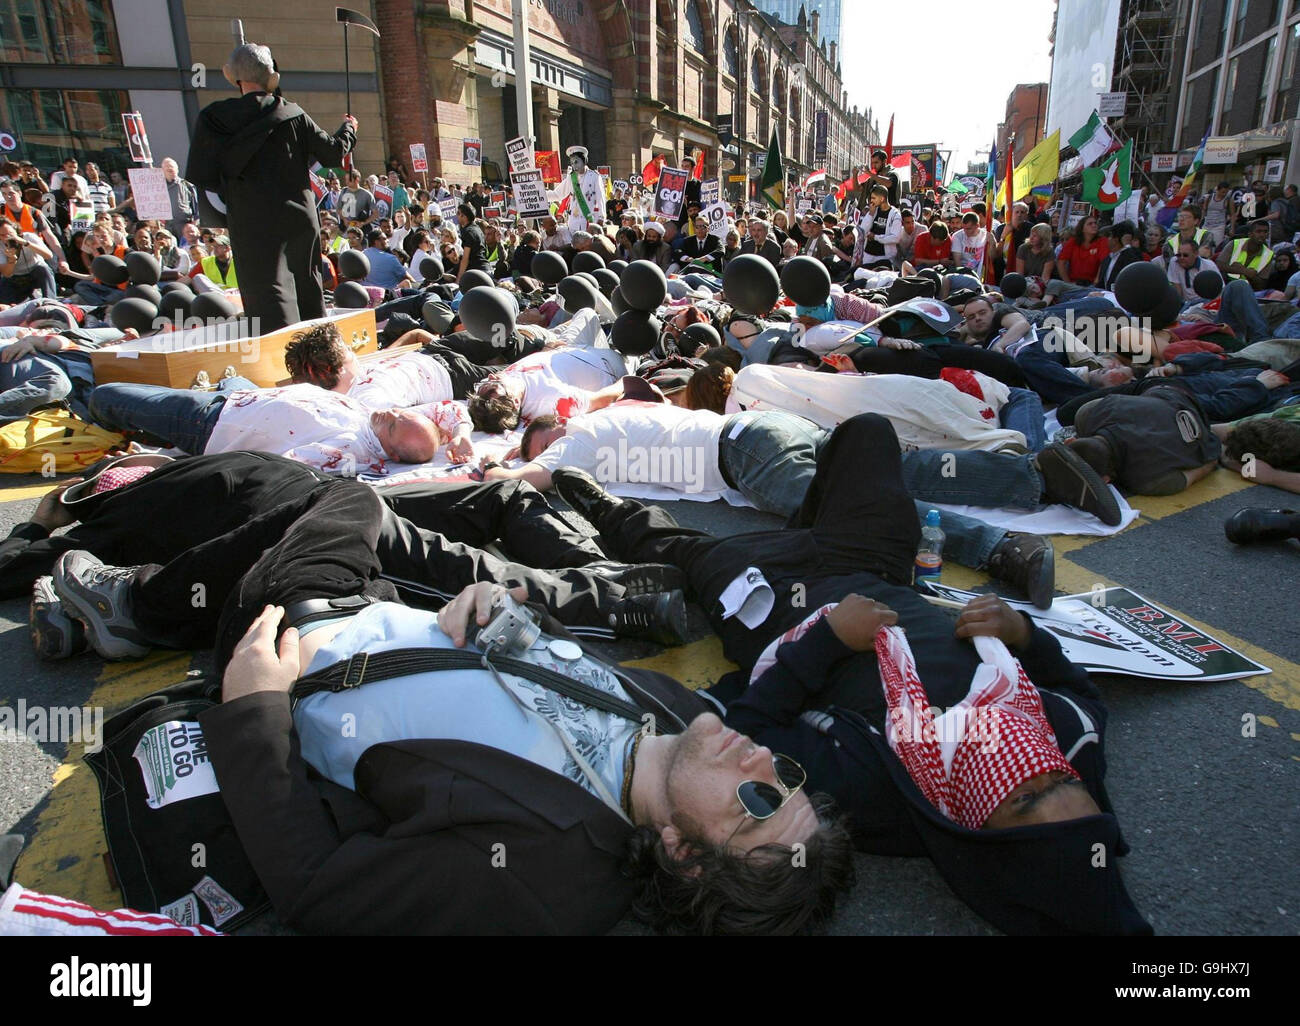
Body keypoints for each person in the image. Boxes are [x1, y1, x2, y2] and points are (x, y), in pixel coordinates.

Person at [40, 481, 852, 935]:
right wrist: (506, 616)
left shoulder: (547, 879)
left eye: (756, 805)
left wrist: (258, 704)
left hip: (292, 649)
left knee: (328, 500)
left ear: (679, 851)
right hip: (401, 613)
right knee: (344, 499)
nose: (760, 765)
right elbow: (551, 680)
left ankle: (134, 606)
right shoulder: (676, 722)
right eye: (785, 776)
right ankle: (128, 589)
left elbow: (322, 891)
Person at [549, 425, 1151, 935]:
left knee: (676, 546)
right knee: (866, 433)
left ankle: (590, 498)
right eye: (1058, 780)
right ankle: (806, 523)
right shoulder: (1070, 741)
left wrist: (828, 641)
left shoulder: (879, 794)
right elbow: (1078, 691)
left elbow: (753, 725)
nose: (1032, 766)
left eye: (1023, 797)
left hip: (774, 601)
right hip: (869, 564)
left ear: (975, 832)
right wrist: (1025, 637)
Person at [186, 42, 357, 332]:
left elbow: (202, 174)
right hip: (297, 216)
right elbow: (332, 153)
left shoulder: (213, 118)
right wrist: (349, 128)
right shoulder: (293, 113)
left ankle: (281, 355)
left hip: (250, 218)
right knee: (306, 282)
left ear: (234, 77)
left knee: (265, 289)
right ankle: (319, 348)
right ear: (272, 77)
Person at [88, 375, 465, 476]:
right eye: (400, 412)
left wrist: (166, 461)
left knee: (105, 396)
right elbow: (448, 409)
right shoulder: (374, 419)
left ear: (393, 452)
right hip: (242, 398)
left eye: (396, 425)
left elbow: (280, 467)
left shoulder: (347, 451)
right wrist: (462, 437)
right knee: (233, 381)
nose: (391, 414)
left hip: (210, 423)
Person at [1217, 219, 1274, 288]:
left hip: (1250, 289)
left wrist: (1250, 275)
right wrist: (1245, 271)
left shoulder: (1269, 254)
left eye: (1265, 232)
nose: (1262, 235)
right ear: (1250, 234)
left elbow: (1262, 284)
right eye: (1258, 231)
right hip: (1227, 283)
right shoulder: (1235, 243)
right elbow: (1219, 265)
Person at [1057, 215, 1107, 287]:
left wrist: (1096, 282)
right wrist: (1067, 283)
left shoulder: (1102, 241)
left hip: (1092, 284)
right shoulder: (1073, 242)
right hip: (1074, 283)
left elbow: (1103, 263)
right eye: (1090, 224)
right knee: (1053, 284)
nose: (1094, 225)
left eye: (1095, 223)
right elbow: (1061, 262)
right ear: (1082, 228)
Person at [949, 213, 990, 281]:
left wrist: (993, 243)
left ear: (977, 225)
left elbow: (993, 256)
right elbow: (957, 261)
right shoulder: (957, 236)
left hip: (982, 272)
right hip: (963, 272)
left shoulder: (985, 235)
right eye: (964, 228)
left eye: (969, 229)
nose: (965, 231)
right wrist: (963, 277)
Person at [1201, 182, 1237, 246]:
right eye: (1223, 192)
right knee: (1203, 244)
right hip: (1207, 224)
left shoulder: (1228, 200)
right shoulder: (1209, 198)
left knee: (1216, 244)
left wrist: (1232, 228)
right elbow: (1204, 211)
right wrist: (1200, 223)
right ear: (1217, 190)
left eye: (1226, 192)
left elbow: (1232, 215)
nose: (1224, 194)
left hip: (1219, 226)